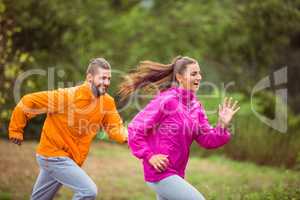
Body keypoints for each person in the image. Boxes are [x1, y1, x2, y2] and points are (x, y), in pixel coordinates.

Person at [119, 56, 240, 200]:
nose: (199, 77)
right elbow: (135, 129)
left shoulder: (196, 107)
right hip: (159, 172)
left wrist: (222, 124)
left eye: (199, 73)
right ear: (179, 77)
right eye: (194, 73)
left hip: (177, 172)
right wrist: (150, 156)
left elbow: (207, 140)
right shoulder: (167, 100)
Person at [8, 58, 127, 200]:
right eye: (102, 78)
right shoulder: (68, 96)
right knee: (88, 191)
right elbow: (29, 101)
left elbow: (115, 128)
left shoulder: (107, 102)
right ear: (89, 77)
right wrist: (16, 130)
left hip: (69, 159)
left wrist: (128, 136)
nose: (106, 83)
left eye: (109, 79)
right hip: (52, 155)